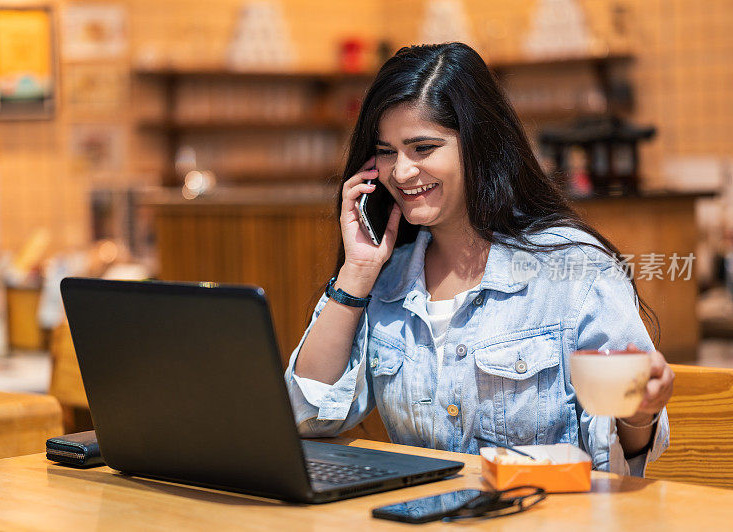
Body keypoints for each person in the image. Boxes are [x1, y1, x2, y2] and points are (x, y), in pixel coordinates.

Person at [284, 43, 672, 476]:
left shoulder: (574, 267)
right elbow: (306, 416)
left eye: (423, 148)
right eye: (387, 151)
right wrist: (355, 273)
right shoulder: (386, 279)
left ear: (478, 145)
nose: (402, 172)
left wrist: (639, 413)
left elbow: (624, 452)